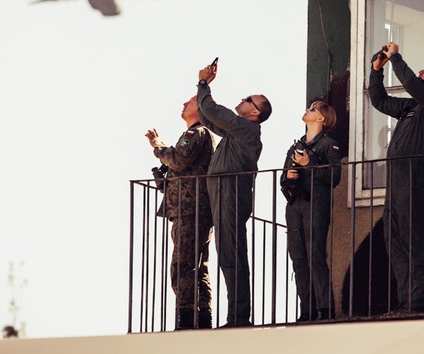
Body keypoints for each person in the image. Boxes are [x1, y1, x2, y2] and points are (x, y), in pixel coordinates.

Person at [370, 42, 424, 313]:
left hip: (417, 176)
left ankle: (417, 304)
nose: (421, 71)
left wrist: (396, 57)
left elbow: (412, 85)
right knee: (393, 239)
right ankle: (406, 301)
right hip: (397, 179)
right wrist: (376, 71)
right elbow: (379, 101)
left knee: (415, 240)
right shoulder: (411, 108)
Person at [196, 61, 272, 328]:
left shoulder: (248, 129)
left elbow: (213, 110)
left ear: (255, 112)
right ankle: (236, 316)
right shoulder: (237, 132)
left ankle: (238, 317)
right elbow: (206, 116)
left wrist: (204, 84)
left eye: (248, 99)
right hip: (223, 193)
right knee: (227, 254)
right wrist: (202, 89)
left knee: (232, 255)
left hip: (230, 193)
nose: (242, 99)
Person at [146, 96, 215, 330]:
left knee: (182, 266)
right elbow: (180, 174)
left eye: (192, 101)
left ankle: (186, 320)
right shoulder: (198, 135)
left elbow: (178, 159)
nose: (185, 103)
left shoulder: (196, 133)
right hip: (190, 209)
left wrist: (158, 146)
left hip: (190, 210)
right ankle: (203, 318)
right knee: (196, 267)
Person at [281, 101, 342, 322]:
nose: (308, 109)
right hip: (295, 205)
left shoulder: (329, 145)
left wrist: (310, 164)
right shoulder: (295, 146)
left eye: (314, 109)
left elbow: (334, 178)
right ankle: (306, 310)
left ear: (321, 119)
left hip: (316, 205)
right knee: (298, 260)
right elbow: (283, 179)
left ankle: (325, 309)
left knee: (315, 256)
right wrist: (288, 177)